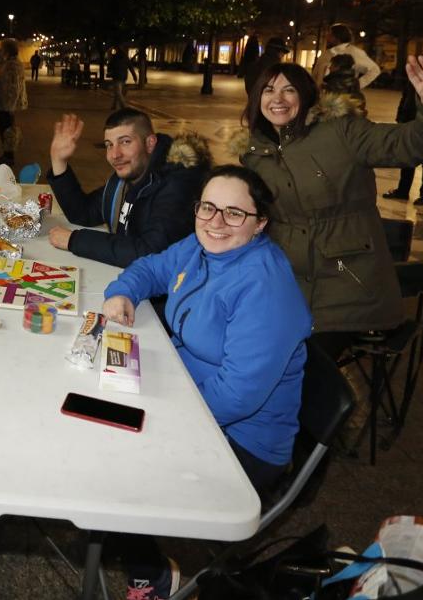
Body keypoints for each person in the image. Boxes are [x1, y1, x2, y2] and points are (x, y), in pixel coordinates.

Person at [103, 168, 311, 599]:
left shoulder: (264, 285)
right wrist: (122, 292)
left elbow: (236, 397)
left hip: (241, 439)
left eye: (235, 213)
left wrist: (156, 413)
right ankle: (120, 536)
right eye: (208, 207)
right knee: (99, 428)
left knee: (111, 465)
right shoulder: (201, 248)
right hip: (187, 395)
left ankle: (154, 571)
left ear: (261, 223)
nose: (216, 222)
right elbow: (151, 268)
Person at [234, 57, 423, 356]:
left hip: (349, 286)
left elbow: (411, 144)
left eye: (288, 90)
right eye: (268, 90)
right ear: (257, 99)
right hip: (286, 285)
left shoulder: (342, 131)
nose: (277, 98)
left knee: (297, 364)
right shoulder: (254, 153)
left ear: (306, 96)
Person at [46, 109, 210, 267]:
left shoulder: (177, 184)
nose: (115, 154)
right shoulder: (126, 180)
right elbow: (83, 213)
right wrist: (58, 160)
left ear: (150, 143)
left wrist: (75, 240)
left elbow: (150, 252)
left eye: (125, 142)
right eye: (109, 145)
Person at [384, 45, 423, 205]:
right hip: (409, 119)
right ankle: (403, 190)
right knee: (407, 155)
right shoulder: (417, 73)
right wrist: (400, 114)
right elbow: (407, 95)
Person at [0, 40, 27, 166]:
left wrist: (10, 106)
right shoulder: (6, 62)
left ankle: (8, 156)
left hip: (6, 103)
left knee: (6, 129)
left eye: (2, 48)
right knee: (3, 127)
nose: (0, 50)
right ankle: (6, 154)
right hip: (3, 102)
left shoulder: (12, 65)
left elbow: (14, 86)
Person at [312, 23, 381, 89]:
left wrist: (357, 85)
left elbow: (374, 70)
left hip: (341, 97)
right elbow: (316, 75)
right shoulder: (326, 53)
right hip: (321, 96)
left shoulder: (354, 52)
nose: (327, 36)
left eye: (330, 34)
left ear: (337, 36)